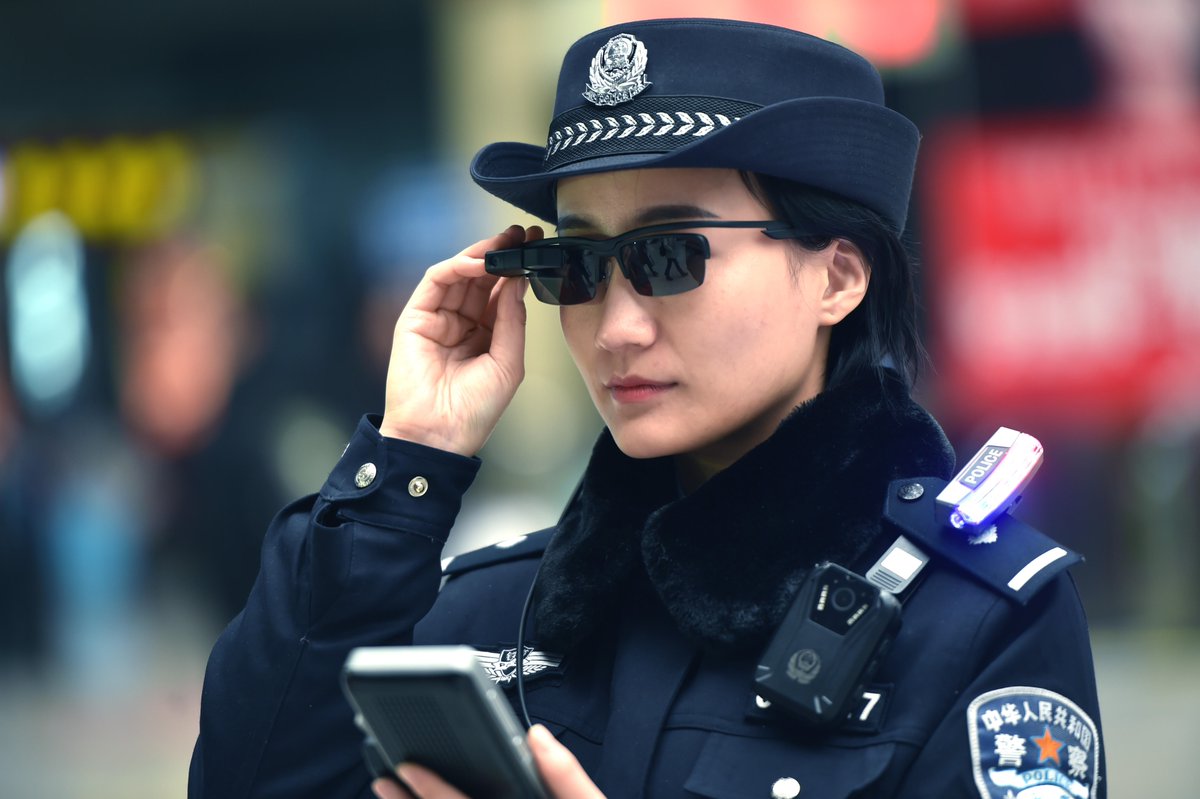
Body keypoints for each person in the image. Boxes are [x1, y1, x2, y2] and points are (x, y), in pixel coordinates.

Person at [189, 18, 1106, 799]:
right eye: (577, 265)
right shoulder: (497, 609)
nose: (617, 327)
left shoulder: (976, 622)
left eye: (671, 256)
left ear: (837, 276)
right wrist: (408, 462)